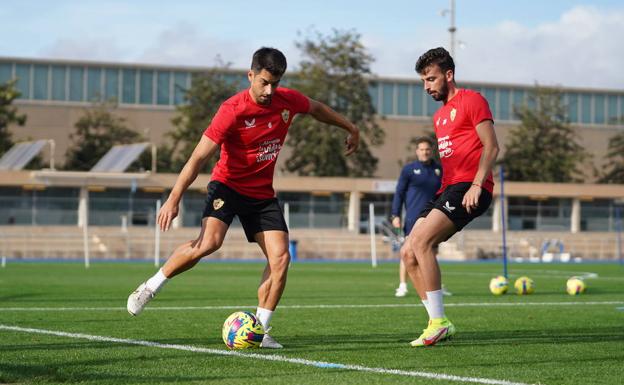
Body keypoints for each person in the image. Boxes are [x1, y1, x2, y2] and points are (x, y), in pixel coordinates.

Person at [126, 47, 360, 349]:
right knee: (209, 243)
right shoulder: (232, 110)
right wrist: (174, 197)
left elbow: (316, 108)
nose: (269, 90)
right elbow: (198, 157)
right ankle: (150, 287)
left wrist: (351, 127)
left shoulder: (288, 100)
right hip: (227, 186)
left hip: (262, 195)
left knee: (281, 258)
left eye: (275, 83)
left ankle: (259, 331)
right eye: (263, 82)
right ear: (250, 75)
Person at [404, 47, 499, 347]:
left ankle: (440, 322)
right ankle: (436, 322)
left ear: (449, 75)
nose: (427, 86)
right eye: (423, 81)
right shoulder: (440, 116)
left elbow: (492, 147)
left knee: (422, 243)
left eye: (431, 79)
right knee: (408, 253)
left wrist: (477, 184)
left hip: (471, 187)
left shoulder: (472, 100)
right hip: (447, 189)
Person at [390, 137, 441, 297]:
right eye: (421, 149)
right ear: (417, 151)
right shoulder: (409, 170)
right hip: (413, 217)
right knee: (408, 251)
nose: (425, 152)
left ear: (431, 151)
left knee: (432, 252)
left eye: (427, 149)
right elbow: (399, 193)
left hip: (434, 216)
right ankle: (403, 285)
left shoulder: (439, 169)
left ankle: (435, 286)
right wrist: (395, 214)